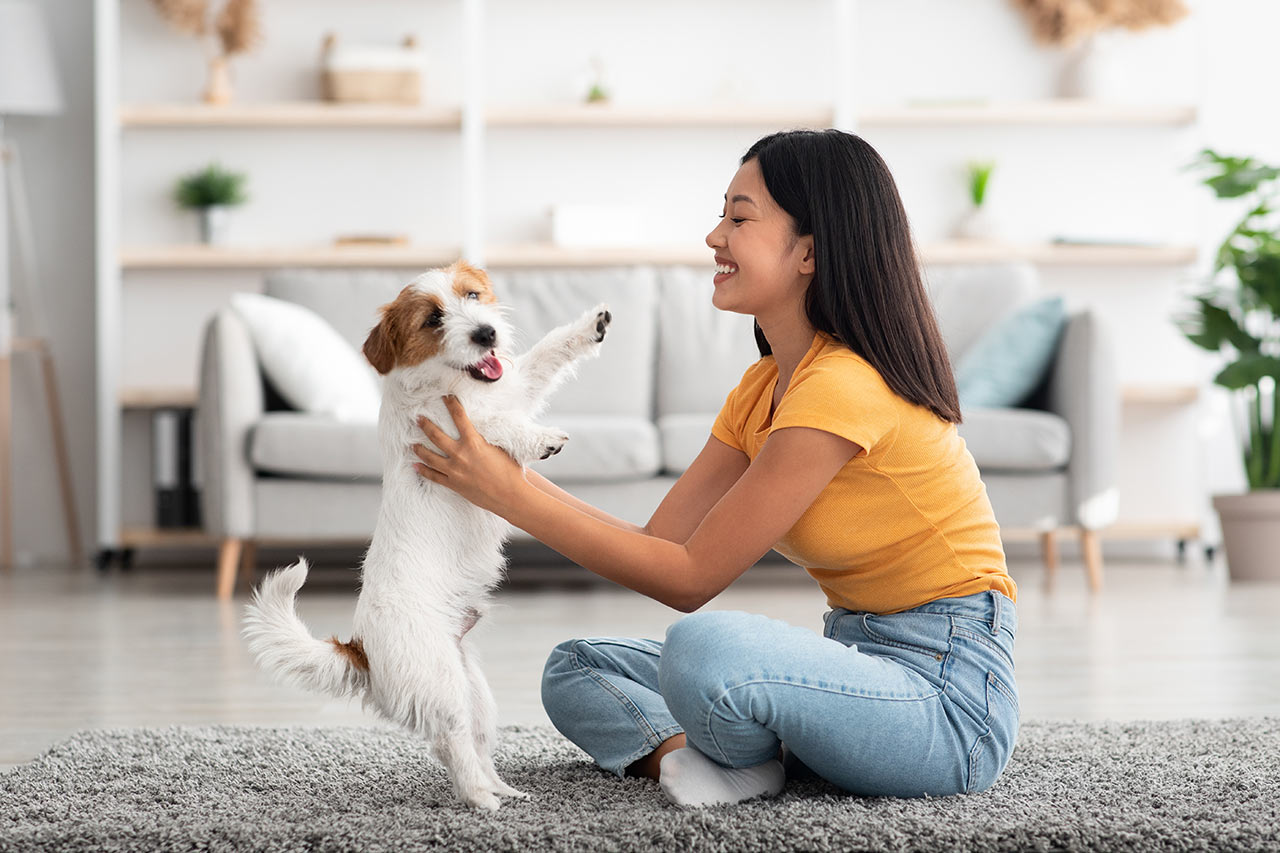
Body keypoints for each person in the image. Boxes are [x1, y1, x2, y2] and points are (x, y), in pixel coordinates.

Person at [411, 129, 1019, 807]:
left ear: (810, 251)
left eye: (739, 217)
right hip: (858, 666)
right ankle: (710, 758)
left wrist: (508, 495)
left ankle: (748, 749)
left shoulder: (843, 386)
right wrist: (506, 480)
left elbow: (691, 580)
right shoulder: (764, 388)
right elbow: (661, 543)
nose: (713, 236)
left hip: (947, 706)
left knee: (705, 648)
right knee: (577, 666)